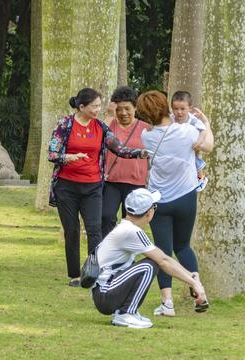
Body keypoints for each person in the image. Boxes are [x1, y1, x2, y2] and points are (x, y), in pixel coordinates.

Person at [47, 87, 147, 287]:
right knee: (72, 230)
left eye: (100, 106)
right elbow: (52, 153)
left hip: (92, 187)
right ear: (81, 106)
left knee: (95, 230)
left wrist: (140, 153)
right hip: (66, 187)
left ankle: (93, 274)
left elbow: (119, 148)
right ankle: (75, 275)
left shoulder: (100, 127)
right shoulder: (65, 125)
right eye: (94, 106)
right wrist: (69, 157)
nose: (98, 110)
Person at [138, 90, 214, 316]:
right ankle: (199, 290)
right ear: (167, 108)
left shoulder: (146, 136)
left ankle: (167, 303)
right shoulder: (188, 131)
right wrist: (206, 122)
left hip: (159, 200)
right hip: (186, 197)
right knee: (183, 246)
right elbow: (208, 145)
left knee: (163, 253)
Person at [92, 188, 208, 329]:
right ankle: (125, 313)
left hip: (105, 292)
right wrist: (194, 283)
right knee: (149, 265)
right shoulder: (131, 231)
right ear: (149, 212)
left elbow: (164, 258)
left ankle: (127, 312)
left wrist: (192, 278)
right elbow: (163, 261)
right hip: (105, 294)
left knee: (151, 263)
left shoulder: (128, 228)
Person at [101, 86, 151, 238]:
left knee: (131, 223)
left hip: (136, 183)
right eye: (119, 109)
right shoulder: (110, 125)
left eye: (127, 108)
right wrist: (110, 115)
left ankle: (127, 257)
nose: (123, 113)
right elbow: (100, 135)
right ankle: (107, 251)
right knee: (106, 216)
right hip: (112, 182)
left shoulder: (146, 129)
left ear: (135, 108)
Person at [170, 91, 208, 191]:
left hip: (191, 147)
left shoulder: (193, 120)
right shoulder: (171, 119)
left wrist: (199, 141)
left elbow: (203, 130)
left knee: (195, 160)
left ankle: (200, 177)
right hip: (176, 148)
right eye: (176, 109)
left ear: (189, 108)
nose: (179, 112)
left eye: (182, 109)